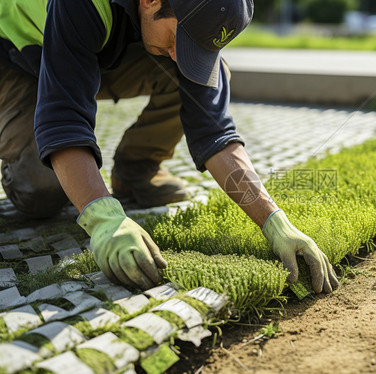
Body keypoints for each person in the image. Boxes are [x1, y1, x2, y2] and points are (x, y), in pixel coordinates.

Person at [0, 0, 339, 293]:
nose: (181, 57)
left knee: (210, 72)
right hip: (16, 57)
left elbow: (214, 132)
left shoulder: (180, 21)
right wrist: (103, 217)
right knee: (42, 189)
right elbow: (63, 117)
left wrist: (274, 221)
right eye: (181, 41)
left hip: (93, 48)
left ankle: (135, 172)